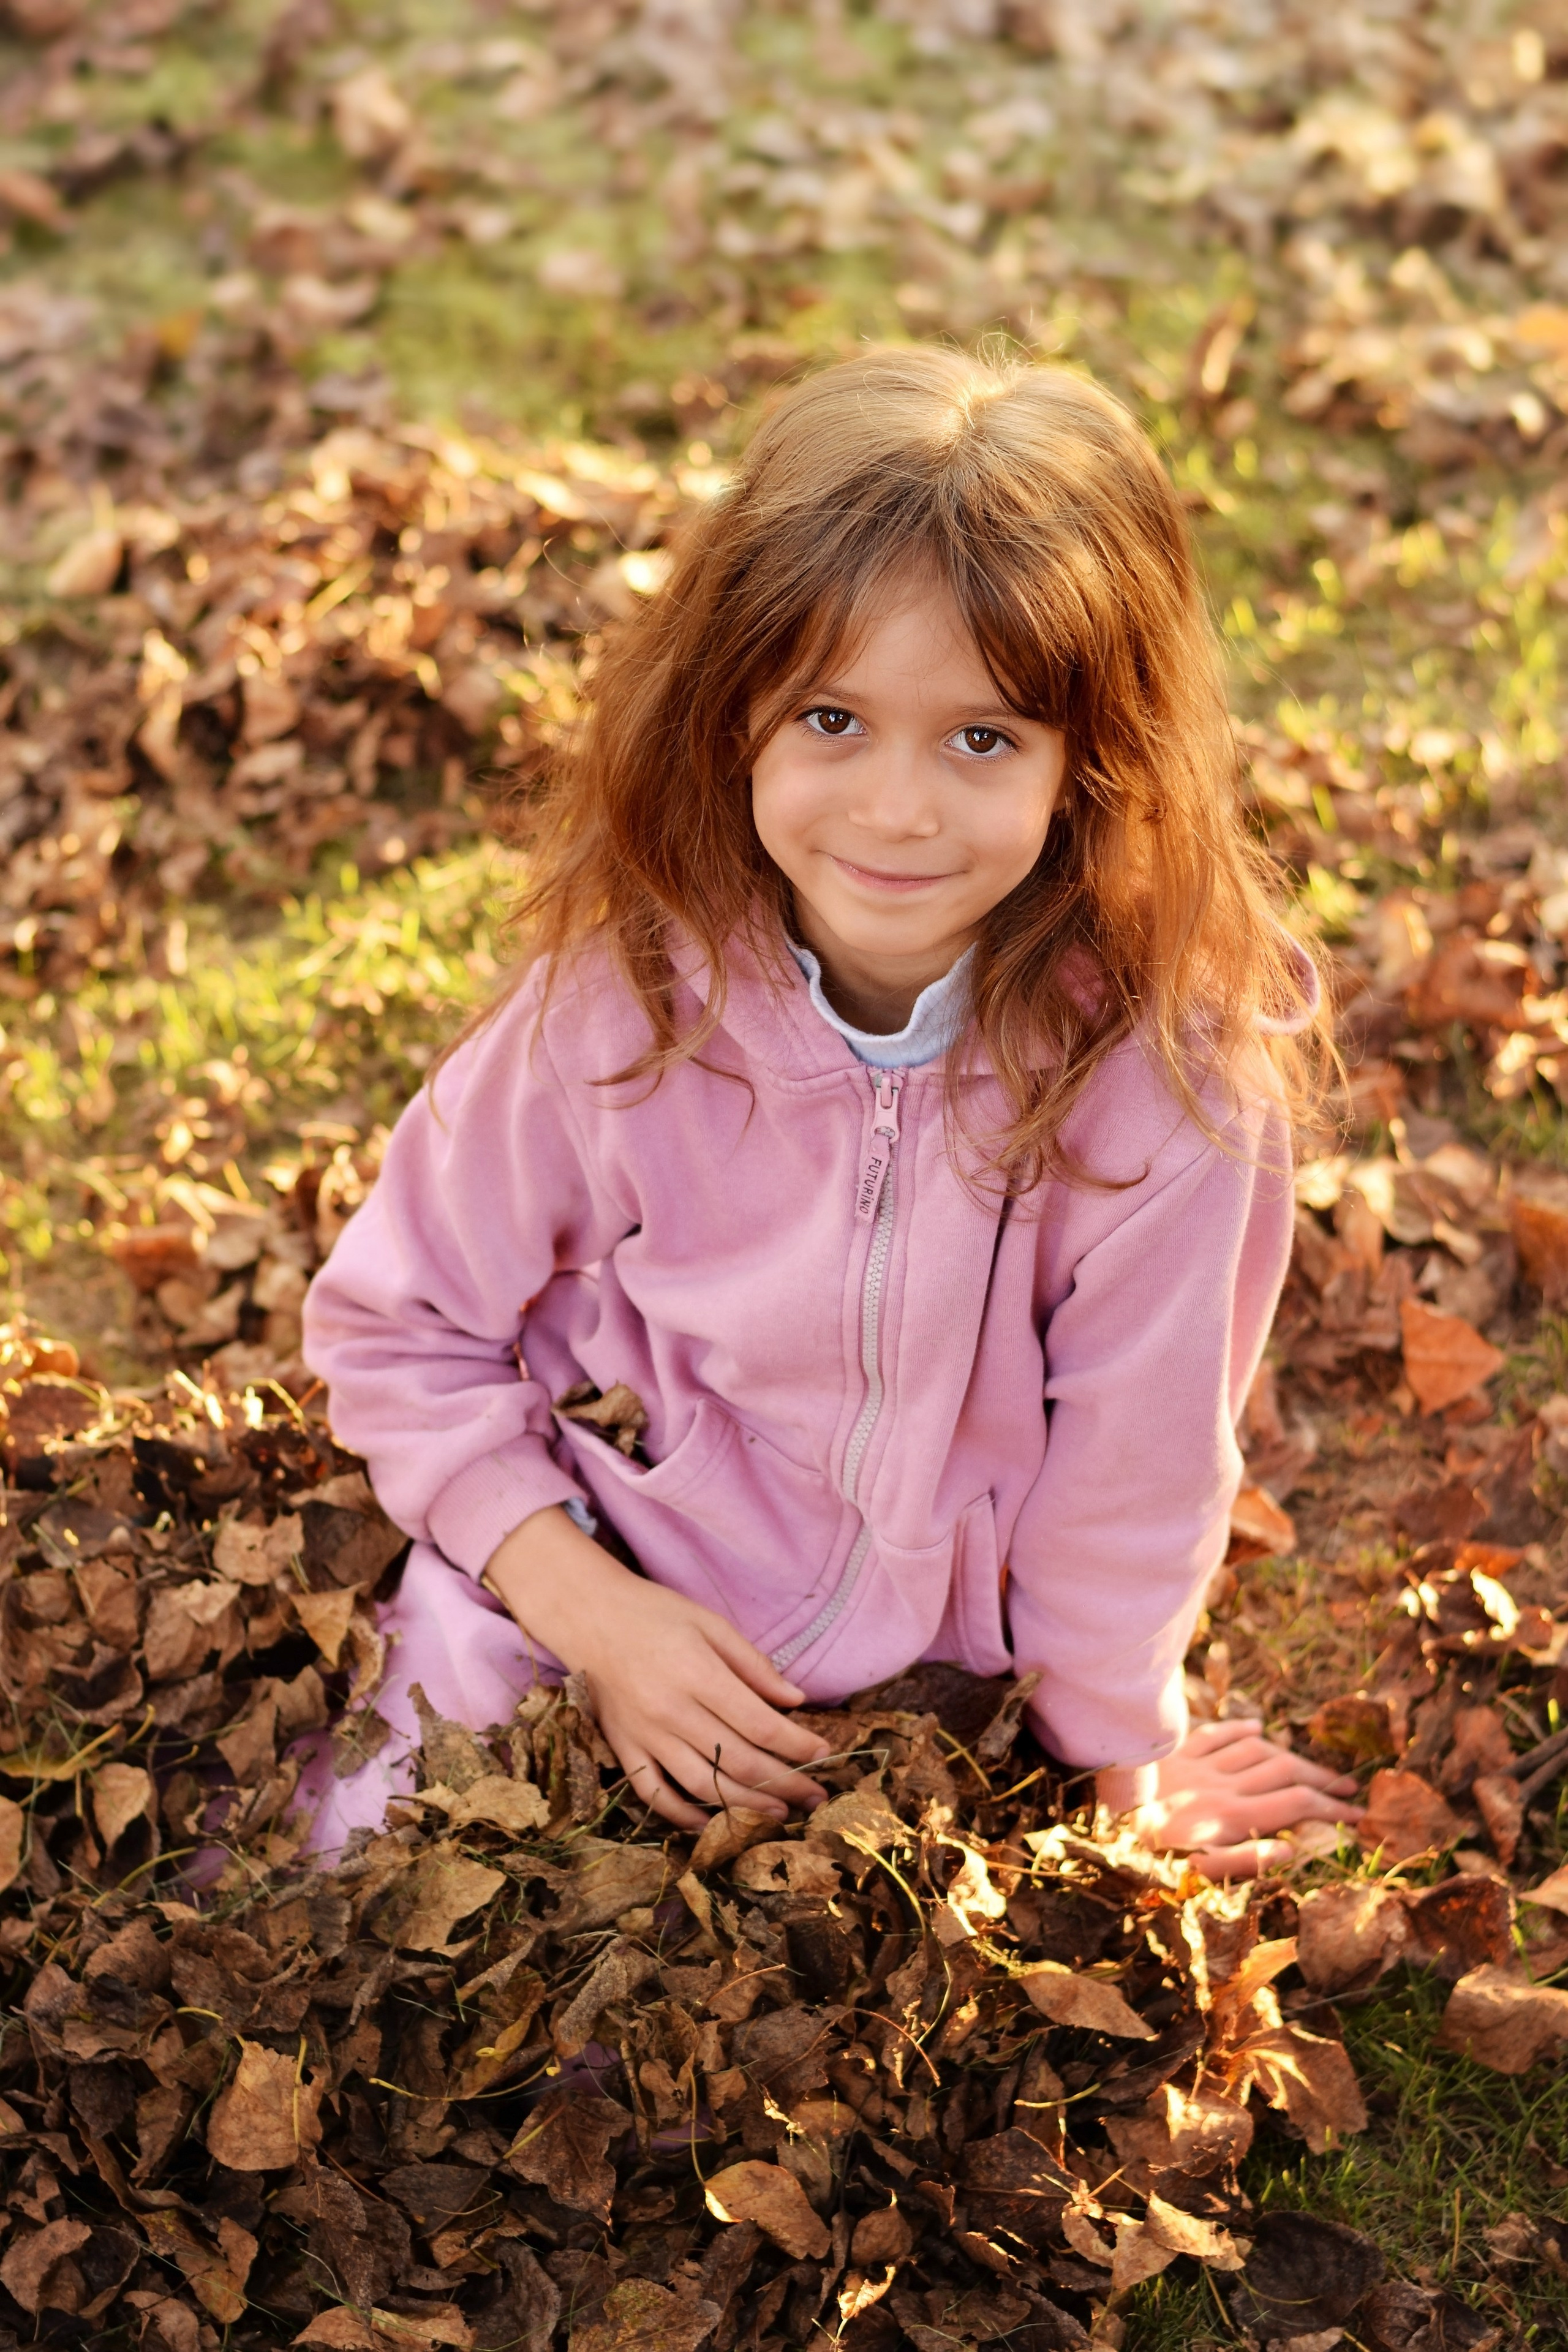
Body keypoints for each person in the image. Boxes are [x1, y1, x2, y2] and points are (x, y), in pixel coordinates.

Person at [299, 347, 1362, 1878]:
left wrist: (1115, 1765)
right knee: (357, 1893)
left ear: (1091, 757)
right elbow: (400, 1326)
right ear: (731, 710)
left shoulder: (1168, 1083)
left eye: (981, 737)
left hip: (925, 1692)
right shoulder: (627, 1003)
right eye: (831, 720)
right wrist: (588, 1613)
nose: (896, 809)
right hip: (599, 1557)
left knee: (719, 2084)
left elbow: (1135, 1465)